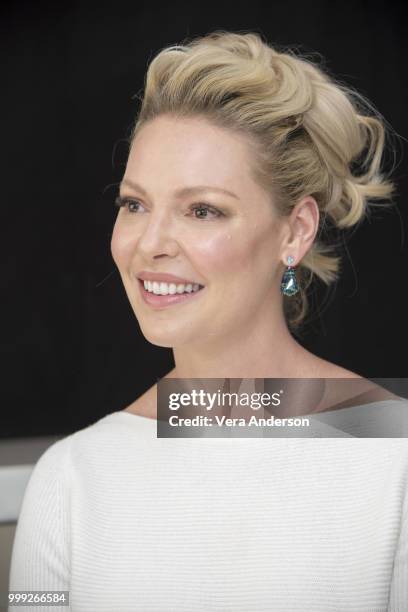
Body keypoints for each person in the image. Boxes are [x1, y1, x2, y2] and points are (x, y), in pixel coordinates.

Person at [9, 30, 407, 611]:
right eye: (134, 204)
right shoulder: (70, 478)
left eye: (202, 210)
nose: (150, 244)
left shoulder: (394, 453)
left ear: (295, 231)